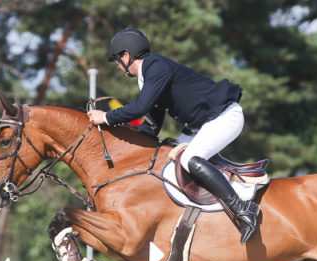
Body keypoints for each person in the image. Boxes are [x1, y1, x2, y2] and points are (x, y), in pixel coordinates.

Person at [87, 29, 259, 244]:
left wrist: (106, 117)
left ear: (126, 55)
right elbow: (151, 126)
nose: (117, 66)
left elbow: (140, 108)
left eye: (116, 60)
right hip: (200, 125)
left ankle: (244, 210)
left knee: (189, 160)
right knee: (167, 165)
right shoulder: (149, 76)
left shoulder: (155, 66)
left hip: (224, 117)